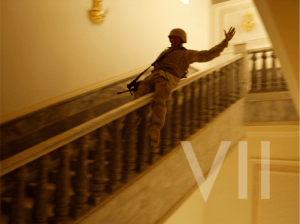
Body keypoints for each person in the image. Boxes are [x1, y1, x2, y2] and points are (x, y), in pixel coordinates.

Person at [134, 27, 236, 147]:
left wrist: (225, 42)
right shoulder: (164, 52)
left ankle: (155, 129)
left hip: (167, 79)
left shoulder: (187, 54)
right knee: (136, 104)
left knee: (160, 102)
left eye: (176, 38)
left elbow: (207, 55)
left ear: (182, 40)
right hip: (151, 78)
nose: (173, 40)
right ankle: (129, 127)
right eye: (172, 38)